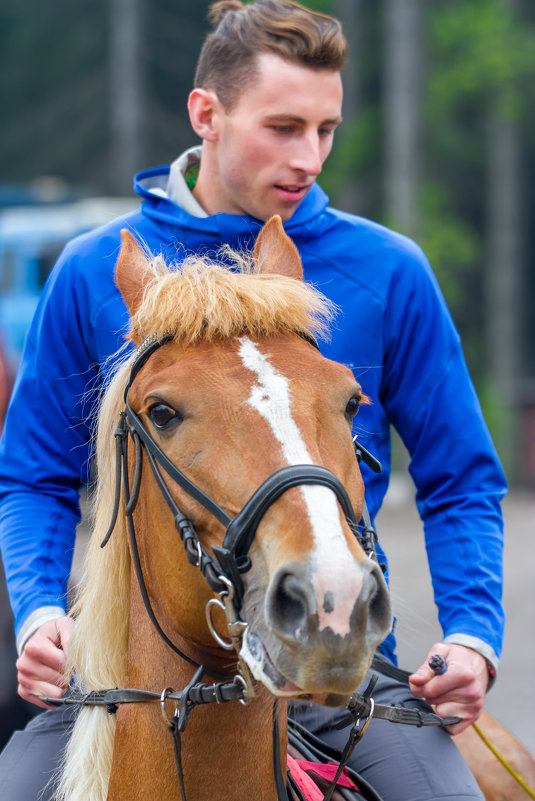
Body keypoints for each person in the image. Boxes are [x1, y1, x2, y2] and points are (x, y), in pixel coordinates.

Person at [0, 1, 506, 799]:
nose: (309, 157)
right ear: (207, 112)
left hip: (333, 668)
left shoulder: (388, 269)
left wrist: (474, 635)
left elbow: (460, 479)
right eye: (282, 126)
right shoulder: (91, 270)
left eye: (326, 129)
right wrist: (37, 612)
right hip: (123, 678)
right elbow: (33, 476)